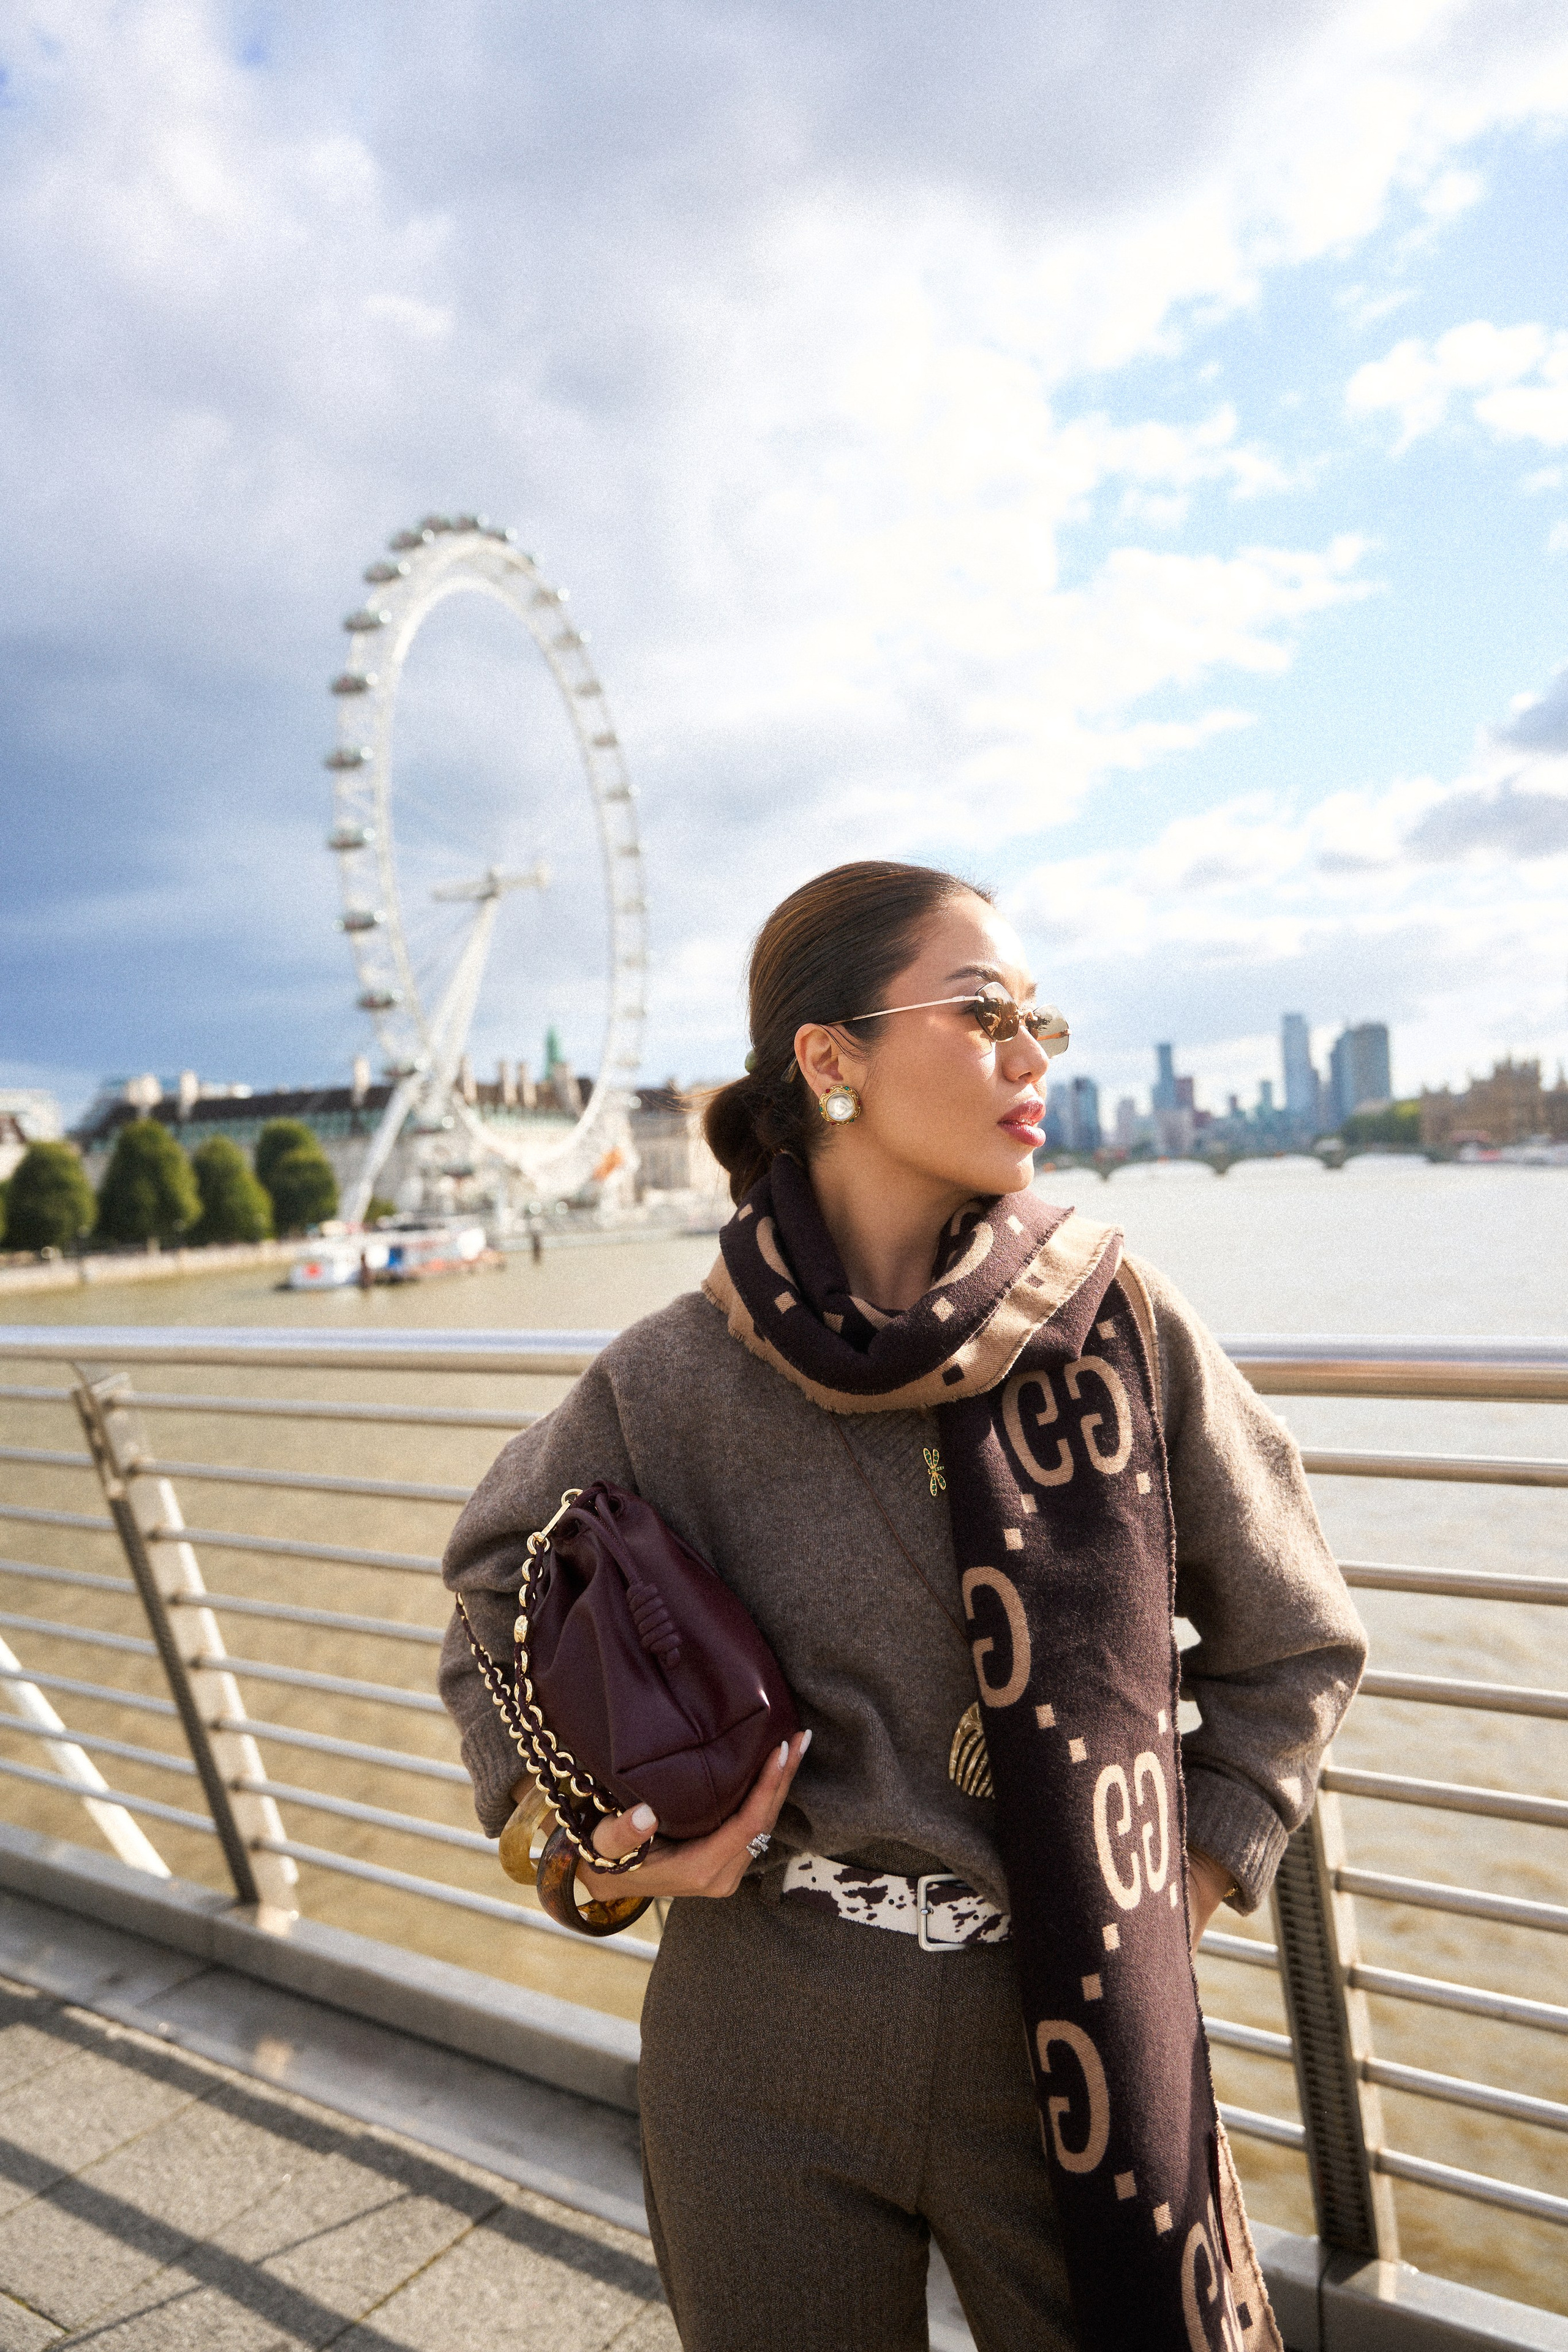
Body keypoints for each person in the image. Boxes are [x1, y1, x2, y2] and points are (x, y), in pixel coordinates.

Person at [440, 860, 1366, 2352]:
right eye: (982, 1010)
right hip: (756, 2025)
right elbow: (493, 1591)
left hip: (1071, 2025)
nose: (1030, 1055)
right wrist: (593, 1854)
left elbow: (1295, 1639)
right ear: (830, 1061)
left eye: (1039, 1020)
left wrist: (1169, 1899)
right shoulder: (671, 1375)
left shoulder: (1114, 1323)